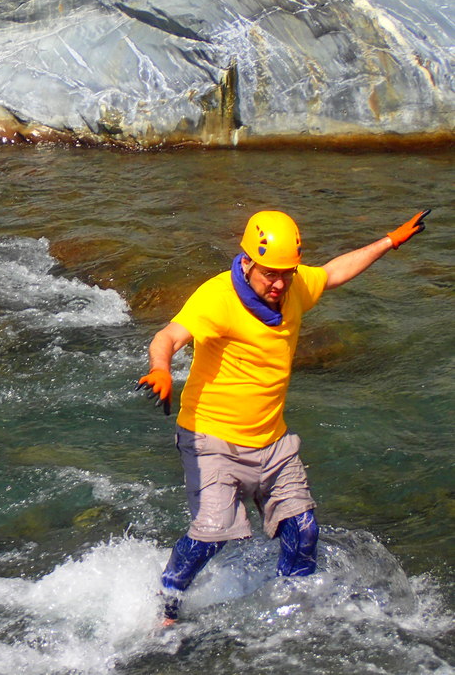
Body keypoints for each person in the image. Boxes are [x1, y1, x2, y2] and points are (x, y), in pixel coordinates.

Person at [136, 209, 431, 626]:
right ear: (248, 262)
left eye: (287, 273)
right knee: (212, 534)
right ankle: (167, 603)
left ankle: (292, 615)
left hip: (272, 440)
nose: (278, 284)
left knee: (303, 531)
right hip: (211, 438)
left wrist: (389, 241)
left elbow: (330, 273)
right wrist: (162, 368)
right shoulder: (218, 297)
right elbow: (168, 335)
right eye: (270, 274)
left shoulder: (292, 287)